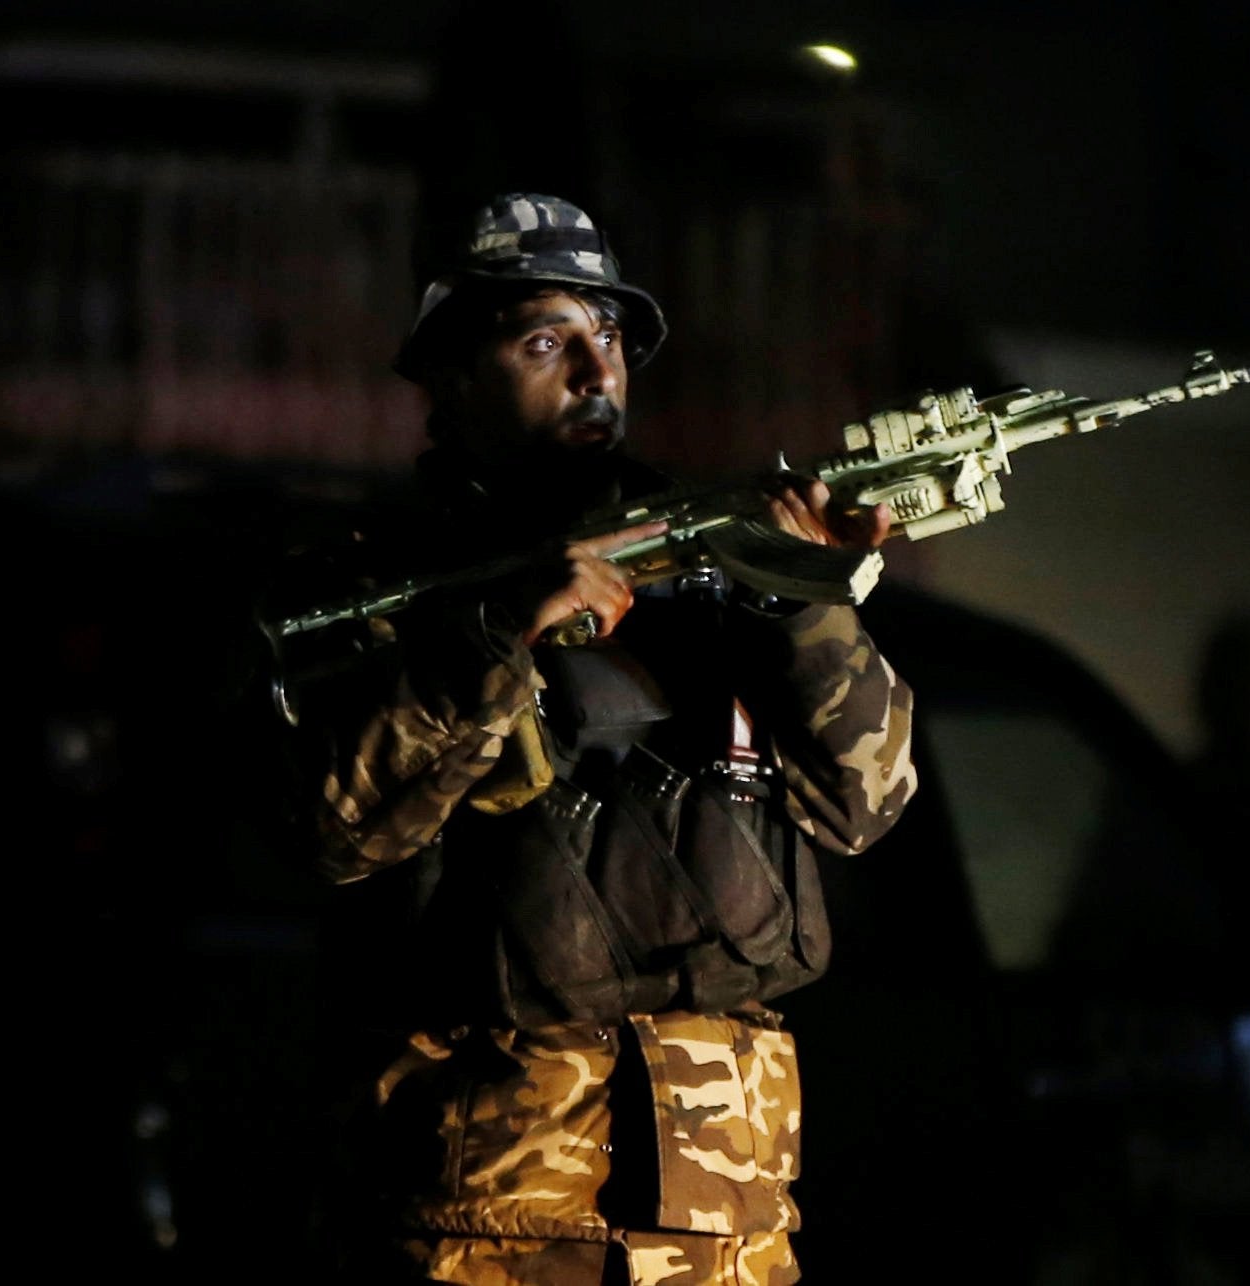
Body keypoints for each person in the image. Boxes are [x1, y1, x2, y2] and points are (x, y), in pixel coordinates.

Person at [271, 193, 917, 1285]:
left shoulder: (718, 548)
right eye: (544, 339)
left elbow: (867, 801)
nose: (594, 370)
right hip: (487, 1210)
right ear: (454, 377)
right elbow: (334, 829)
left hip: (725, 1207)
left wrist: (807, 598)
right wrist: (497, 634)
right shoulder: (374, 584)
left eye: (608, 337)